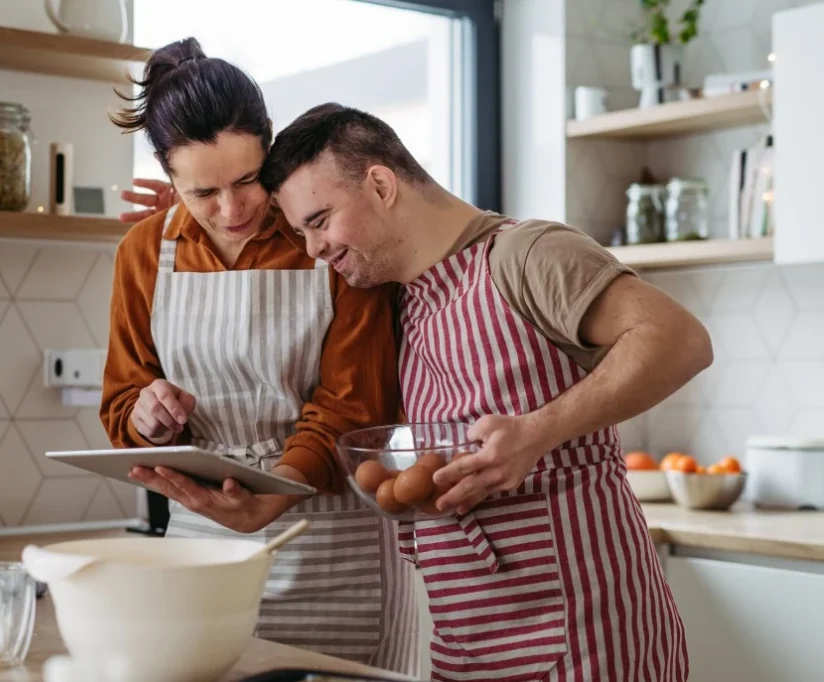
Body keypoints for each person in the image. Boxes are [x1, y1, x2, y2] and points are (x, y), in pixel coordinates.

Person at [256, 103, 706, 681]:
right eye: (300, 232)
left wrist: (536, 432)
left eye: (319, 220)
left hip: (586, 639)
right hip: (466, 646)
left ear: (380, 183)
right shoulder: (399, 298)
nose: (313, 247)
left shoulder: (527, 254)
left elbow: (679, 339)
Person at [99, 41, 419, 673]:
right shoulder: (144, 253)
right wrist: (147, 418)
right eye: (202, 192)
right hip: (204, 549)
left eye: (247, 179)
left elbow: (355, 401)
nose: (233, 209)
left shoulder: (327, 238)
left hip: (333, 545)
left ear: (269, 144)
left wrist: (277, 493)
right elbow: (121, 399)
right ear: (168, 177)